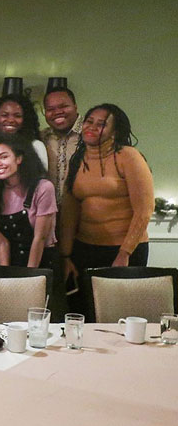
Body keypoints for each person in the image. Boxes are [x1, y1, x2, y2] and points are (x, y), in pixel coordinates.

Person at [59, 104, 154, 313]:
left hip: (124, 249)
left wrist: (125, 252)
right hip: (85, 248)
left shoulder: (128, 156)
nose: (91, 127)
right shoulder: (77, 160)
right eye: (89, 121)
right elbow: (69, 211)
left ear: (115, 130)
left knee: (120, 313)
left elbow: (144, 209)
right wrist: (65, 255)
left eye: (101, 124)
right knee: (83, 311)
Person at [0, 132, 57, 269]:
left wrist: (30, 276)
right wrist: (5, 274)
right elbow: (3, 241)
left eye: (3, 157)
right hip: (14, 262)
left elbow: (40, 239)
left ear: (19, 158)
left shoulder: (43, 187)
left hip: (42, 262)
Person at [0, 93, 48, 169]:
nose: (11, 120)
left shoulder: (36, 146)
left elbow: (41, 178)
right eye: (4, 115)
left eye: (17, 116)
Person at [41, 84, 81, 207]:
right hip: (49, 213)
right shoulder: (41, 138)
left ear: (75, 106)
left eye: (63, 106)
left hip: (86, 214)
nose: (57, 112)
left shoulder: (92, 134)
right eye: (50, 109)